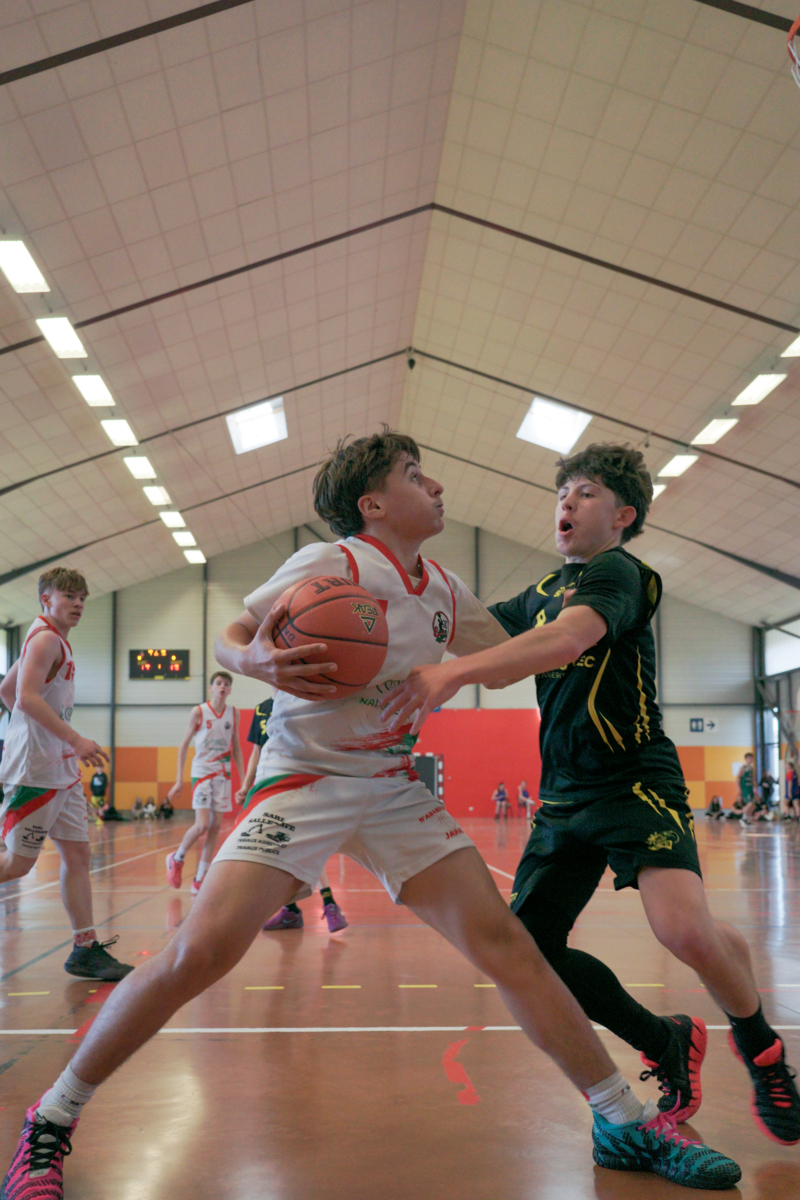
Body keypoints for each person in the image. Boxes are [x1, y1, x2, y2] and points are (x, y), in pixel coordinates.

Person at [2, 431, 741, 1198]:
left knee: (512, 947)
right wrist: (252, 659)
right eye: (416, 477)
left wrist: (603, 613)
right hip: (304, 778)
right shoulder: (332, 563)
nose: (438, 487)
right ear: (374, 504)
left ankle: (620, 1119)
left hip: (391, 785)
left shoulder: (444, 588)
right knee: (199, 953)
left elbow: (524, 650)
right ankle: (49, 1120)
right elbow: (235, 635)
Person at [382, 442, 800, 1149]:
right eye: (562, 493)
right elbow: (473, 636)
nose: (566, 503)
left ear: (623, 515)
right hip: (565, 795)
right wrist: (396, 597)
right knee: (528, 951)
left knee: (684, 931)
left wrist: (452, 676)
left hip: (635, 781)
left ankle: (763, 1052)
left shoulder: (620, 574)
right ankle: (662, 1039)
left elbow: (567, 640)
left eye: (585, 492)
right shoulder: (539, 593)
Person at [0, 568, 133, 983]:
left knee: (77, 856)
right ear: (46, 599)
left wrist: (49, 736)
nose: (77, 603)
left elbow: (6, 690)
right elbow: (25, 697)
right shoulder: (44, 639)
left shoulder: (52, 638)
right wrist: (72, 739)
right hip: (35, 771)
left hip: (61, 769)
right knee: (16, 865)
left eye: (82, 597)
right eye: (69, 596)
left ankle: (84, 949)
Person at [237, 694, 347, 933]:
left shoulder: (303, 701)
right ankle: (294, 909)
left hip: (298, 780)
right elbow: (256, 751)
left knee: (303, 845)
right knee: (275, 847)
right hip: (268, 785)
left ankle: (325, 904)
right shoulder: (262, 708)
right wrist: (246, 786)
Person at [165, 671, 244, 896]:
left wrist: (244, 781)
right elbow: (183, 746)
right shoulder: (199, 711)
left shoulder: (233, 713)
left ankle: (200, 877)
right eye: (218, 683)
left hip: (223, 774)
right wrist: (179, 780)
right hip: (201, 773)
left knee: (215, 826)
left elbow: (237, 748)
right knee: (202, 825)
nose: (222, 686)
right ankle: (177, 857)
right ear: (211, 688)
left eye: (226, 684)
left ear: (230, 690)